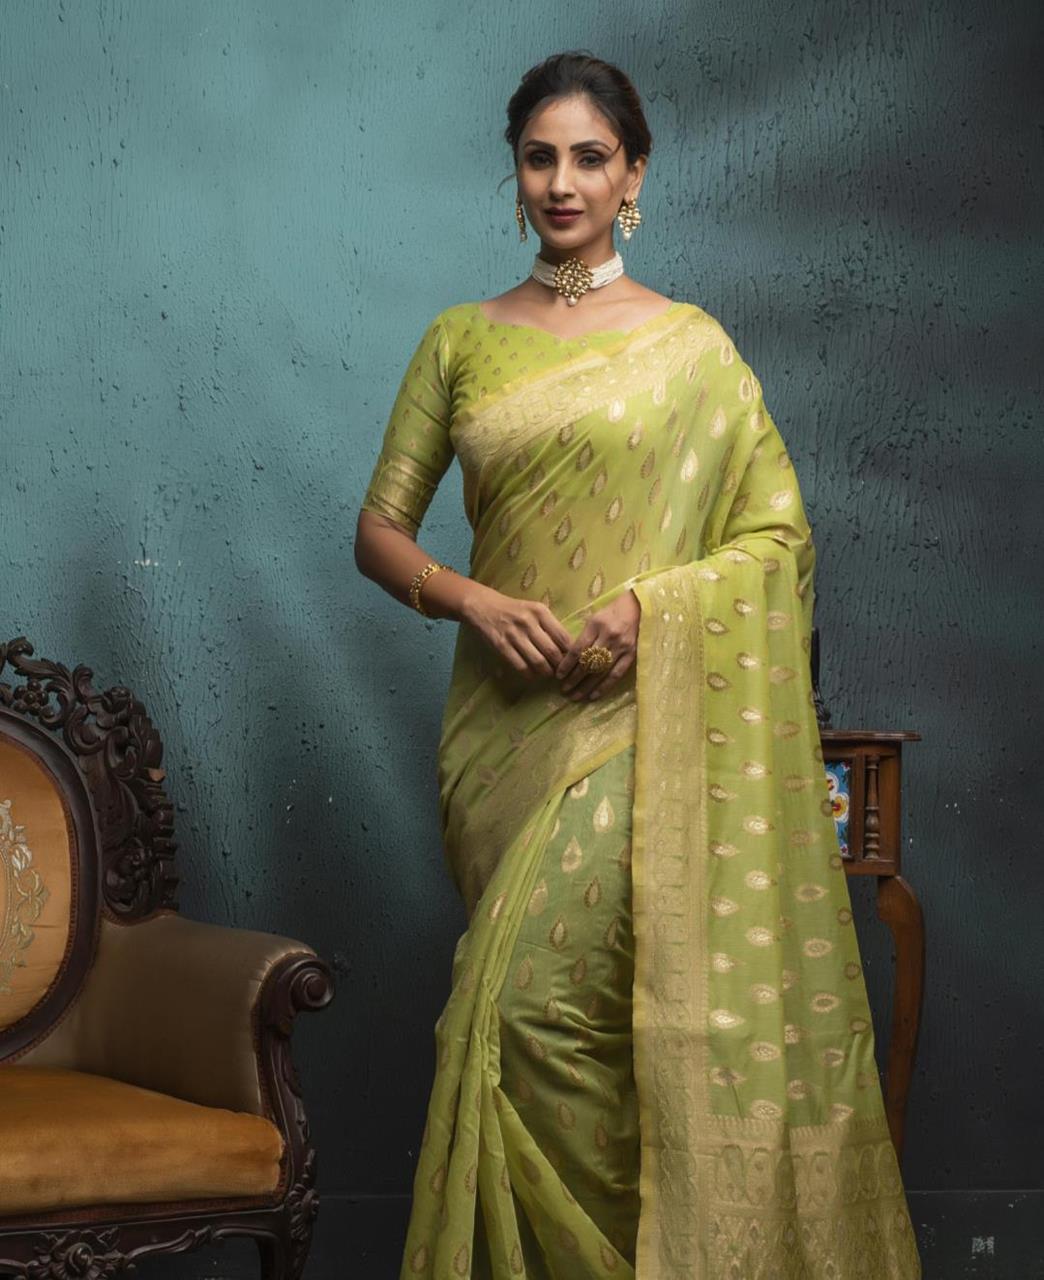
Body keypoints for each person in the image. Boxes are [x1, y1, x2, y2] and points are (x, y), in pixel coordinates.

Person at [356, 50, 921, 1280]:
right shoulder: (458, 340)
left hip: (641, 722)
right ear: (515, 173)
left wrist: (647, 609)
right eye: (539, 157)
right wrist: (472, 600)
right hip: (500, 734)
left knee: (549, 1013)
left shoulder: (691, 348)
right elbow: (379, 530)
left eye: (590, 157)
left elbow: (776, 537)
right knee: (566, 1025)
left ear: (634, 176)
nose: (562, 182)